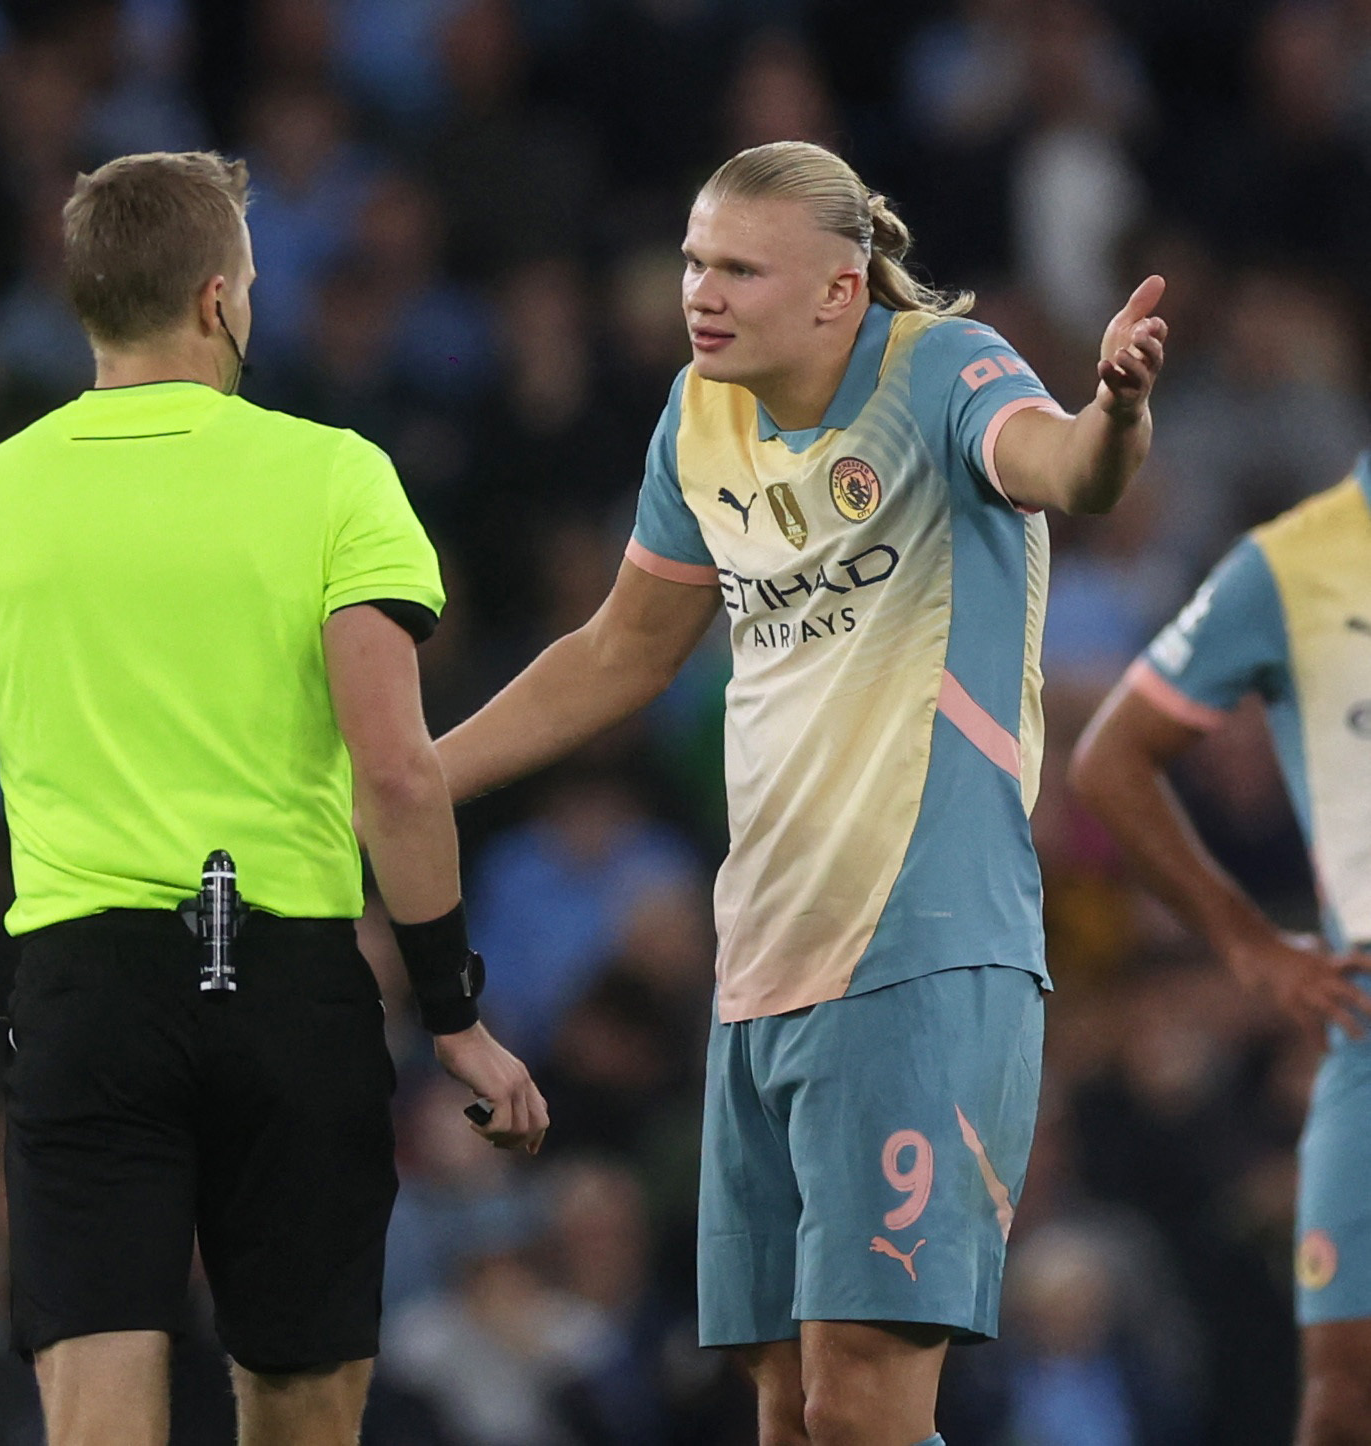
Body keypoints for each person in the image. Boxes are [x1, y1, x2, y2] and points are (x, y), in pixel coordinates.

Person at [435, 139, 1167, 1444]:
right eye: (692, 262)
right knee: (785, 1409)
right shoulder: (697, 416)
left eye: (738, 269)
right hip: (761, 965)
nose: (699, 293)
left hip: (923, 947)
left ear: (838, 289)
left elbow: (1065, 469)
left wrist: (1111, 413)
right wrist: (415, 779)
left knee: (860, 1402)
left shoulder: (941, 369)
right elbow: (619, 652)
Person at [0, 150, 547, 1446]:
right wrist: (452, 1013)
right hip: (292, 985)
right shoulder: (336, 475)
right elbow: (396, 770)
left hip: (88, 997)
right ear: (219, 298)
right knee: (304, 1414)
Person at [1070, 462, 1371, 1443]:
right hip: (1357, 1041)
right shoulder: (1287, 566)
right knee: (1342, 1395)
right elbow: (1108, 760)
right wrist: (1249, 948)